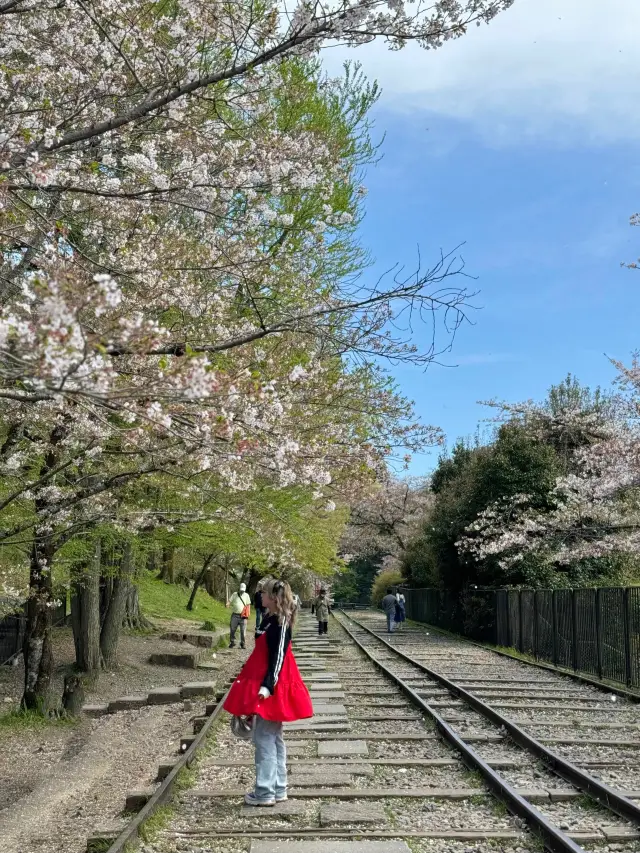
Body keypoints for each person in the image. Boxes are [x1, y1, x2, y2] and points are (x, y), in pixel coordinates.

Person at [224, 578, 313, 806]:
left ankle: (265, 791)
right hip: (268, 684)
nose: (259, 597)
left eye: (263, 593)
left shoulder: (280, 623)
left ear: (273, 598)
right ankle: (277, 787)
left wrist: (267, 687)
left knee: (265, 738)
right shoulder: (272, 620)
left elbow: (278, 657)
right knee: (273, 737)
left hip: (271, 686)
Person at [228, 582, 251, 648]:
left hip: (243, 616)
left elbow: (248, 605)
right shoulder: (235, 594)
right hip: (235, 615)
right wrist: (228, 603)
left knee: (243, 631)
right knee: (232, 629)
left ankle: (242, 643)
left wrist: (247, 614)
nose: (242, 591)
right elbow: (230, 600)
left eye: (243, 590)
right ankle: (232, 642)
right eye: (241, 590)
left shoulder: (247, 595)